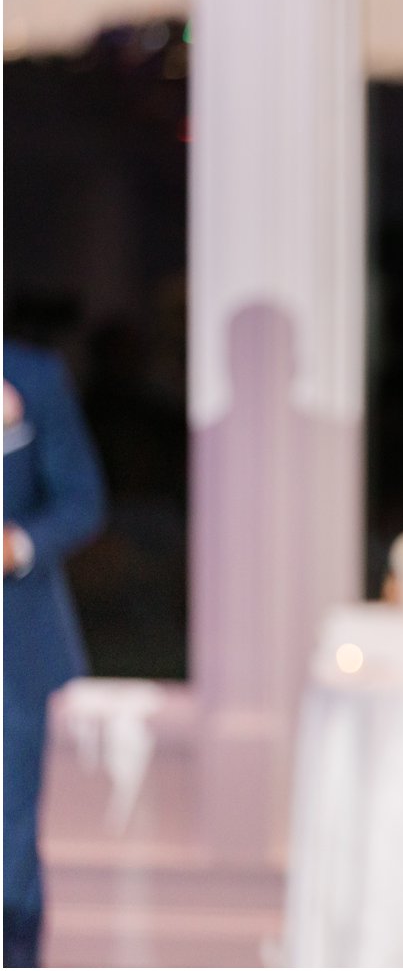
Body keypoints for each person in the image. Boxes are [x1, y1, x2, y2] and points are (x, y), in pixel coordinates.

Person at [4, 338, 109, 967]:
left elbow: (83, 501)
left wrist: (16, 546)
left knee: (7, 843)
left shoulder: (32, 377)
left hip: (8, 650)